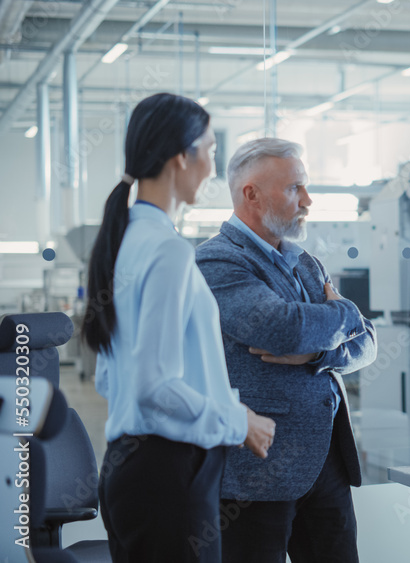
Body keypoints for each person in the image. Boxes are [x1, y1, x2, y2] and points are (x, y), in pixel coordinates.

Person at [83, 93, 276, 563]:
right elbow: (154, 385)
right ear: (180, 156)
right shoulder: (167, 251)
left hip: (132, 468)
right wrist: (238, 421)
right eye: (209, 150)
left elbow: (112, 377)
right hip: (168, 475)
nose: (212, 167)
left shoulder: (126, 239)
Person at [195, 138, 377, 563]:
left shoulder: (306, 262)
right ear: (251, 194)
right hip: (258, 473)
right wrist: (344, 314)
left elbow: (366, 342)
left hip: (326, 462)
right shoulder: (218, 261)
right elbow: (282, 329)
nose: (308, 200)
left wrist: (318, 352)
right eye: (295, 188)